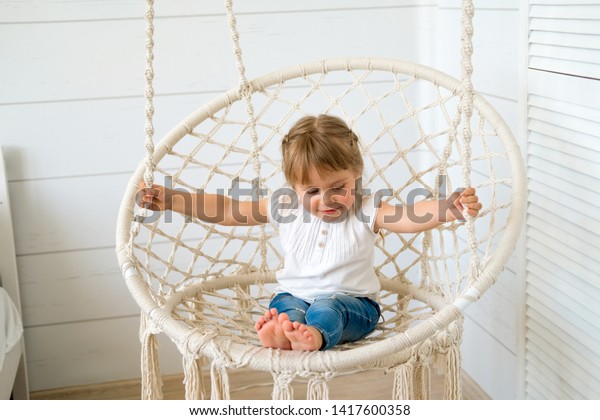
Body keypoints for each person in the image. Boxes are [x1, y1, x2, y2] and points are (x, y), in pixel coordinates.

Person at [138, 114, 482, 351]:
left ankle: (314, 336)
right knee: (285, 307)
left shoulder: (366, 209)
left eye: (338, 186)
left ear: (356, 173)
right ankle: (286, 333)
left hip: (355, 306)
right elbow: (227, 209)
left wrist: (447, 208)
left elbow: (408, 215)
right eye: (312, 192)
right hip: (295, 294)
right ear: (293, 187)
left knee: (329, 308)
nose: (327, 199)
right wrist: (171, 199)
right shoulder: (285, 205)